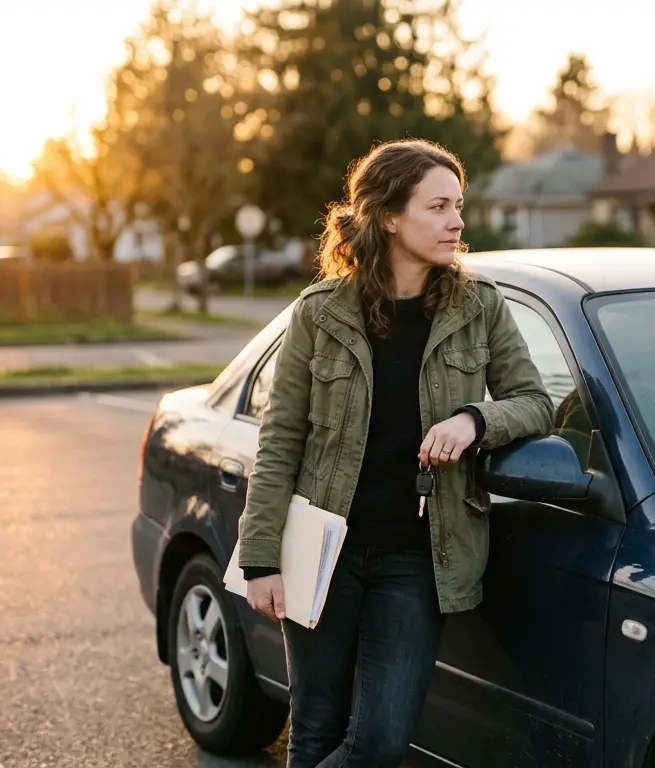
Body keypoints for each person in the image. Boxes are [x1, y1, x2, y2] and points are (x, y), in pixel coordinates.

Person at [236, 138, 554, 768]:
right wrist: (260, 558)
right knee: (316, 726)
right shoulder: (320, 314)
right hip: (324, 549)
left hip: (418, 558)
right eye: (438, 207)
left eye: (458, 206)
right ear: (387, 216)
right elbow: (280, 440)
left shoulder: (479, 306)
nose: (456, 222)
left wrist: (475, 419)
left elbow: (535, 401)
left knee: (380, 740)